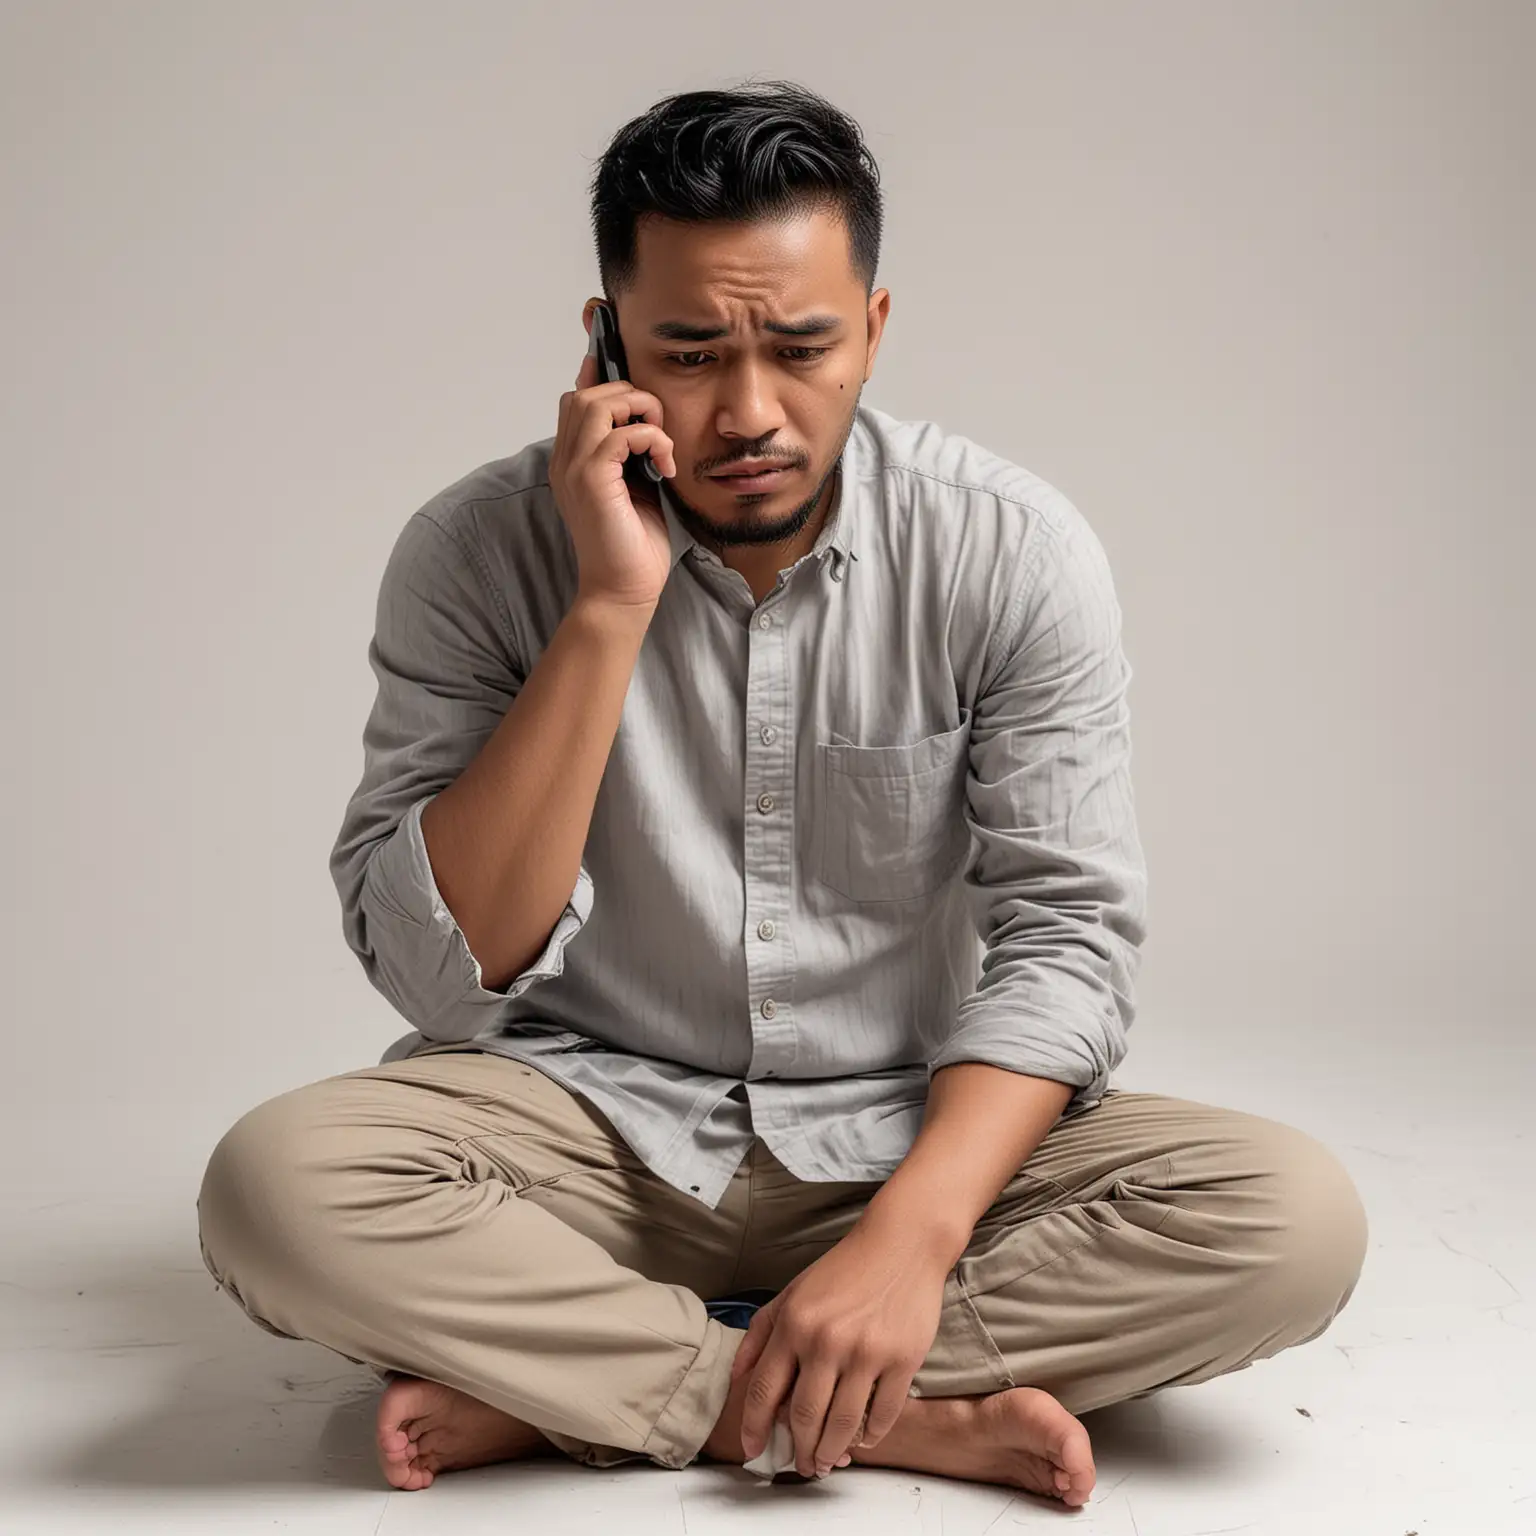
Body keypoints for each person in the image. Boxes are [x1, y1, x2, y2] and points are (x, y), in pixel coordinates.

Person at [195, 80, 1368, 1507]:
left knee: (1287, 1220)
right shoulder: (475, 552)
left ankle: (601, 1389)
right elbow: (445, 982)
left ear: (873, 329)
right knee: (278, 1191)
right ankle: (863, 1408)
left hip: (907, 1136)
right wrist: (607, 608)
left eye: (802, 346)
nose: (750, 411)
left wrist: (912, 1242)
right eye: (686, 351)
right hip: (587, 1134)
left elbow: (1068, 940)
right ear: (603, 341)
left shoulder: (1009, 550)